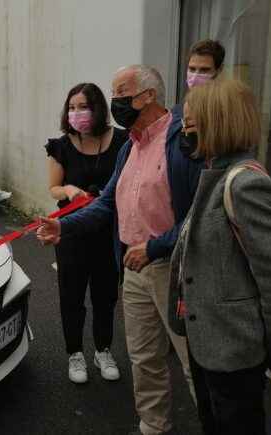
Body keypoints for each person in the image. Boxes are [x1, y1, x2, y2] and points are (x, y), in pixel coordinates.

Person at [37, 65, 203, 435]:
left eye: (121, 93)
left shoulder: (181, 141)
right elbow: (107, 202)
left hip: (172, 270)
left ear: (148, 96)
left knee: (194, 361)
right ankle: (153, 425)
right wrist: (63, 225)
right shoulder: (131, 146)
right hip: (132, 265)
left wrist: (157, 247)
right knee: (144, 357)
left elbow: (199, 215)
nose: (115, 103)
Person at [171, 79, 271, 435]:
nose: (183, 132)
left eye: (190, 124)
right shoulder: (215, 175)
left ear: (218, 124)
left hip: (234, 352)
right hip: (209, 344)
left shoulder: (246, 185)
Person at [45, 83, 127, 384]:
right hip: (71, 233)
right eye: (72, 107)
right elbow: (53, 186)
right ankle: (75, 352)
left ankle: (103, 350)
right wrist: (67, 189)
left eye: (83, 106)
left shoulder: (121, 141)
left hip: (108, 233)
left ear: (99, 109)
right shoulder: (60, 145)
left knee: (106, 295)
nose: (76, 113)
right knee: (72, 294)